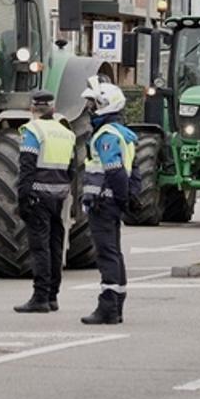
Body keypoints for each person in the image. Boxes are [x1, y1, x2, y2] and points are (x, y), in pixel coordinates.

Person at [80, 77, 137, 325]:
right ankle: (117, 306)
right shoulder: (121, 133)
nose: (90, 108)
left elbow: (114, 171)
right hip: (111, 203)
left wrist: (120, 199)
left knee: (106, 254)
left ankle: (108, 308)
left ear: (106, 105)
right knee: (114, 253)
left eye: (93, 104)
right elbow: (132, 173)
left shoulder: (106, 135)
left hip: (103, 204)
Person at [13, 91, 76, 314]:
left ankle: (40, 297)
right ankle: (52, 296)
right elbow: (72, 170)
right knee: (55, 246)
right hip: (58, 197)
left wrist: (22, 199)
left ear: (32, 109)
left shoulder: (32, 131)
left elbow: (27, 168)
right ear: (53, 108)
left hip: (37, 196)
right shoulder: (66, 132)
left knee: (40, 248)